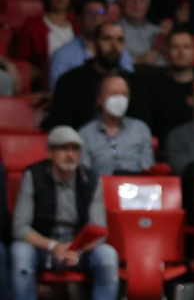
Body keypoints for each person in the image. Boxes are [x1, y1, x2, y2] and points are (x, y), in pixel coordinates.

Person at [10, 127, 120, 300]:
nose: (70, 154)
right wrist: (53, 246)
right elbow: (19, 228)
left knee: (107, 255)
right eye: (63, 148)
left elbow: (99, 231)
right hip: (43, 248)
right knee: (20, 252)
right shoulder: (33, 175)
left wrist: (75, 249)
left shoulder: (91, 179)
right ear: (50, 151)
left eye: (75, 149)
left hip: (78, 251)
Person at [45, 23, 131, 131]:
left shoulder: (134, 83)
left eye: (120, 40)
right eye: (107, 39)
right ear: (94, 43)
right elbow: (59, 127)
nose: (114, 46)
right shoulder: (70, 82)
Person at [47, 0, 131, 91]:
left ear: (107, 17)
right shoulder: (62, 55)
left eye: (100, 12)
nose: (96, 17)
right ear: (78, 18)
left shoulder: (117, 50)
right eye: (89, 12)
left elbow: (129, 82)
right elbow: (57, 92)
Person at [78, 74, 155, 176]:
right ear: (99, 99)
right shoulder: (85, 133)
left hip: (136, 186)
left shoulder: (140, 129)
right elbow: (83, 173)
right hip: (100, 187)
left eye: (124, 94)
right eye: (113, 93)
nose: (120, 99)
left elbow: (148, 169)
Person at [115, 0, 170, 65]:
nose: (136, 4)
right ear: (122, 2)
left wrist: (169, 40)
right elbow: (110, 61)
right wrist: (138, 60)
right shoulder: (114, 31)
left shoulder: (158, 31)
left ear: (148, 4)